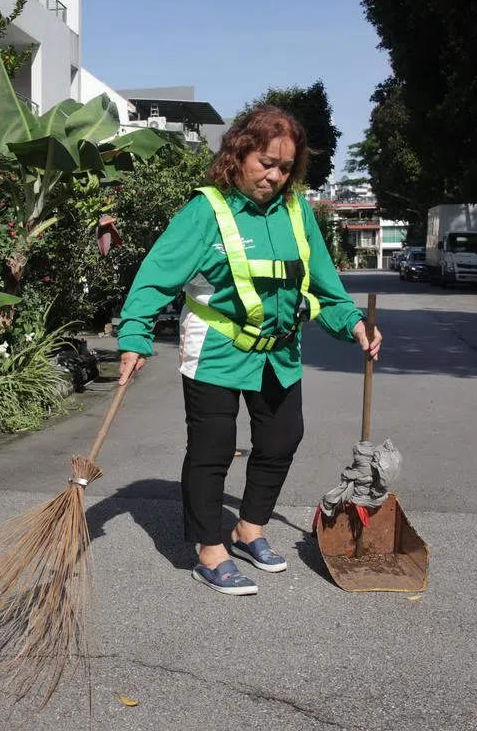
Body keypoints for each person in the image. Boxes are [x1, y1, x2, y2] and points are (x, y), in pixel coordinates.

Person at [114, 106, 383, 596]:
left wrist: (354, 325)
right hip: (216, 347)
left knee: (282, 439)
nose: (275, 176)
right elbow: (154, 278)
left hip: (278, 351)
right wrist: (135, 336)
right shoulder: (206, 211)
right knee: (212, 450)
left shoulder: (297, 211)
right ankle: (209, 550)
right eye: (266, 163)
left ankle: (249, 529)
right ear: (238, 154)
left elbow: (326, 288)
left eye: (285, 168)